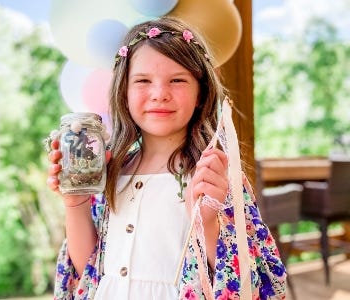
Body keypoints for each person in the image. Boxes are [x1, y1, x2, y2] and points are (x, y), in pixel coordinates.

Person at [47, 16, 286, 299]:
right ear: (123, 92)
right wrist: (76, 204)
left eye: (177, 80)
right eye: (143, 80)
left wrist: (207, 221)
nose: (160, 94)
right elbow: (88, 271)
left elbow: (245, 283)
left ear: (201, 93)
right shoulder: (110, 172)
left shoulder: (215, 176)